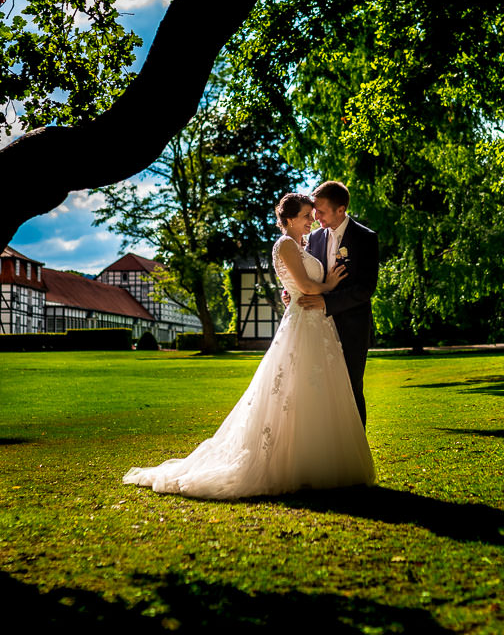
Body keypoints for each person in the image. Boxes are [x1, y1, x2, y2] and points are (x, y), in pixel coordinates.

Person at [122, 193, 374, 499]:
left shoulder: (312, 242)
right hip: (303, 324)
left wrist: (299, 291)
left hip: (324, 325)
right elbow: (305, 285)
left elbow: (317, 281)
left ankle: (328, 459)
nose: (313, 219)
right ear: (290, 219)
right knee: (294, 390)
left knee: (326, 392)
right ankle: (294, 462)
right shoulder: (287, 243)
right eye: (307, 215)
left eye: (314, 214)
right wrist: (323, 287)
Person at [296, 181, 379, 427]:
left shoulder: (365, 238)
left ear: (341, 209)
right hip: (319, 327)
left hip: (352, 329)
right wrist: (292, 292)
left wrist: (326, 301)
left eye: (321, 211)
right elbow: (309, 276)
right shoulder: (314, 238)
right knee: (321, 389)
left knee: (351, 388)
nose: (316, 217)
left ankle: (357, 448)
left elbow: (365, 289)